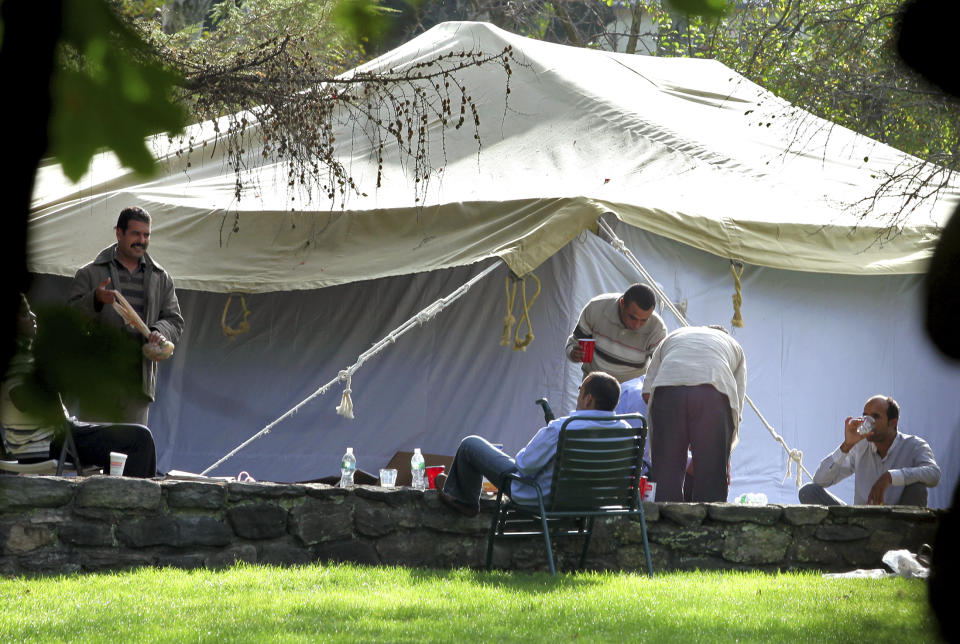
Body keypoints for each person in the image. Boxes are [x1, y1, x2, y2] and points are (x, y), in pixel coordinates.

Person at [1, 295, 157, 477]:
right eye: (26, 314)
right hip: (53, 442)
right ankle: (133, 503)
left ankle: (116, 498)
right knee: (139, 439)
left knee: (125, 445)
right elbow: (22, 398)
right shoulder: (17, 358)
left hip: (56, 438)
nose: (34, 317)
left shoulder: (24, 354)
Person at [436, 372, 632, 517]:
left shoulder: (563, 428)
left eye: (580, 391)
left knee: (470, 444)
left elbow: (525, 466)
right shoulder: (627, 431)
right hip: (593, 502)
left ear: (589, 399)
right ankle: (459, 494)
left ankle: (463, 500)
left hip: (541, 498)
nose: (578, 395)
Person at [67, 206, 184, 425]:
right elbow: (69, 320)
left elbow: (174, 320)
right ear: (119, 233)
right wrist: (95, 299)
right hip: (98, 385)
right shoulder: (90, 273)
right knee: (95, 452)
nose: (142, 240)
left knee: (131, 453)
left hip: (137, 387)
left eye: (146, 235)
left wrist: (159, 332)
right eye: (135, 234)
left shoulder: (161, 278)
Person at [641, 325, 746, 503]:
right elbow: (735, 405)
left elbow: (647, 393)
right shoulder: (733, 344)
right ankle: (710, 522)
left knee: (667, 468)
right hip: (713, 394)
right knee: (712, 470)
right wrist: (721, 450)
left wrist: (676, 430)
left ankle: (665, 520)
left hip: (668, 391)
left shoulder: (673, 336)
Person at [798, 395, 940, 506]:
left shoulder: (914, 445)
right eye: (865, 415)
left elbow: (934, 474)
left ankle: (905, 541)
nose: (868, 421)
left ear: (893, 423)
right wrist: (846, 446)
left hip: (898, 521)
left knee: (917, 488)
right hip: (861, 522)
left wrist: (890, 477)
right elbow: (819, 481)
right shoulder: (860, 445)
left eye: (875, 417)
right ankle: (850, 538)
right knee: (808, 492)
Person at [565, 284, 667, 383]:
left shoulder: (657, 328)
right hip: (593, 386)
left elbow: (661, 367)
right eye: (632, 317)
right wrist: (574, 353)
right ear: (622, 303)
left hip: (630, 392)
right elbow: (574, 341)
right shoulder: (597, 308)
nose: (636, 325)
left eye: (644, 320)